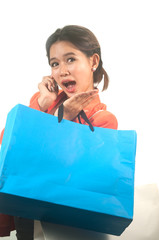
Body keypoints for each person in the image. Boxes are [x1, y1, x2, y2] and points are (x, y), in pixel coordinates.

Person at [0, 25, 118, 239]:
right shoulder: (44, 102)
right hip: (26, 217)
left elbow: (68, 172)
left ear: (93, 61)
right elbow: (6, 145)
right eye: (55, 63)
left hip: (67, 225)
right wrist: (43, 104)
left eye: (70, 59)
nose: (62, 70)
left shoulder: (102, 120)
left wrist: (63, 118)